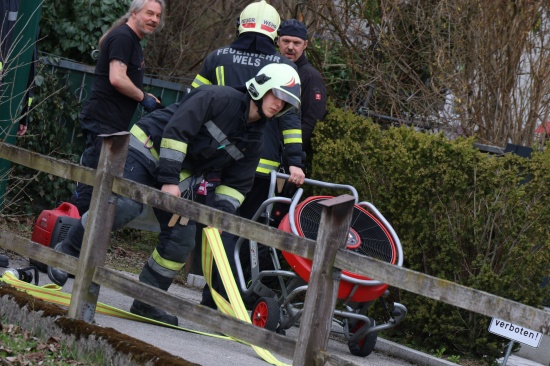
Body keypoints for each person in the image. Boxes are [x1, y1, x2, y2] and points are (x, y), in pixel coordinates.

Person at [47, 63, 301, 326]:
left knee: (181, 238)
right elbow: (176, 132)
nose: (278, 105)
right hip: (146, 149)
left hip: (180, 172)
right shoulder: (216, 98)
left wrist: (220, 216)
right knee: (124, 205)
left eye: (285, 102)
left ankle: (147, 300)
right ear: (260, 87)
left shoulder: (254, 139)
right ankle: (67, 253)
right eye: (277, 96)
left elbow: (237, 184)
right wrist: (168, 180)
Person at [190, 0, 306, 309]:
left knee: (215, 225)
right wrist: (295, 161)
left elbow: (192, 100)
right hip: (260, 167)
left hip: (217, 160)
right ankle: (228, 296)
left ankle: (212, 293)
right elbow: (290, 119)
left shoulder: (217, 58)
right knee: (245, 232)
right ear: (274, 33)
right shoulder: (284, 67)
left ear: (241, 24)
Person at [70, 0, 165, 216]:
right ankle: (68, 242)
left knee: (98, 184)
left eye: (158, 16)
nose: (154, 20)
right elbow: (117, 78)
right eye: (149, 13)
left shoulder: (131, 41)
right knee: (91, 185)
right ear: (134, 12)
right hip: (102, 122)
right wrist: (143, 98)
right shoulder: (124, 37)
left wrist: (144, 94)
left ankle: (78, 242)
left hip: (110, 124)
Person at [277, 19, 327, 169]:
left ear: (305, 45)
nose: (290, 47)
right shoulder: (272, 69)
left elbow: (310, 122)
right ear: (278, 41)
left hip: (288, 162)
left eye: (296, 43)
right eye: (286, 41)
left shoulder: (310, 77)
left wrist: (290, 156)